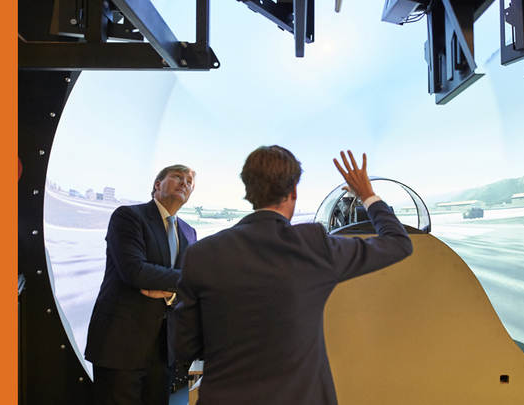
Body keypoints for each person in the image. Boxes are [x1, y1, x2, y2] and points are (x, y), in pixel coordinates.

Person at [172, 146, 413, 404]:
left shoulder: (201, 254)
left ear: (249, 191)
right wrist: (367, 195)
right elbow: (398, 243)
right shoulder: (313, 245)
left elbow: (184, 346)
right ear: (294, 191)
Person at [85, 164, 197, 405]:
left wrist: (172, 291)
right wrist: (188, 281)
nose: (185, 183)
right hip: (119, 345)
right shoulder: (128, 216)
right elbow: (135, 271)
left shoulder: (189, 232)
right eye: (178, 176)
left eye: (189, 182)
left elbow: (188, 289)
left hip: (163, 351)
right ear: (157, 184)